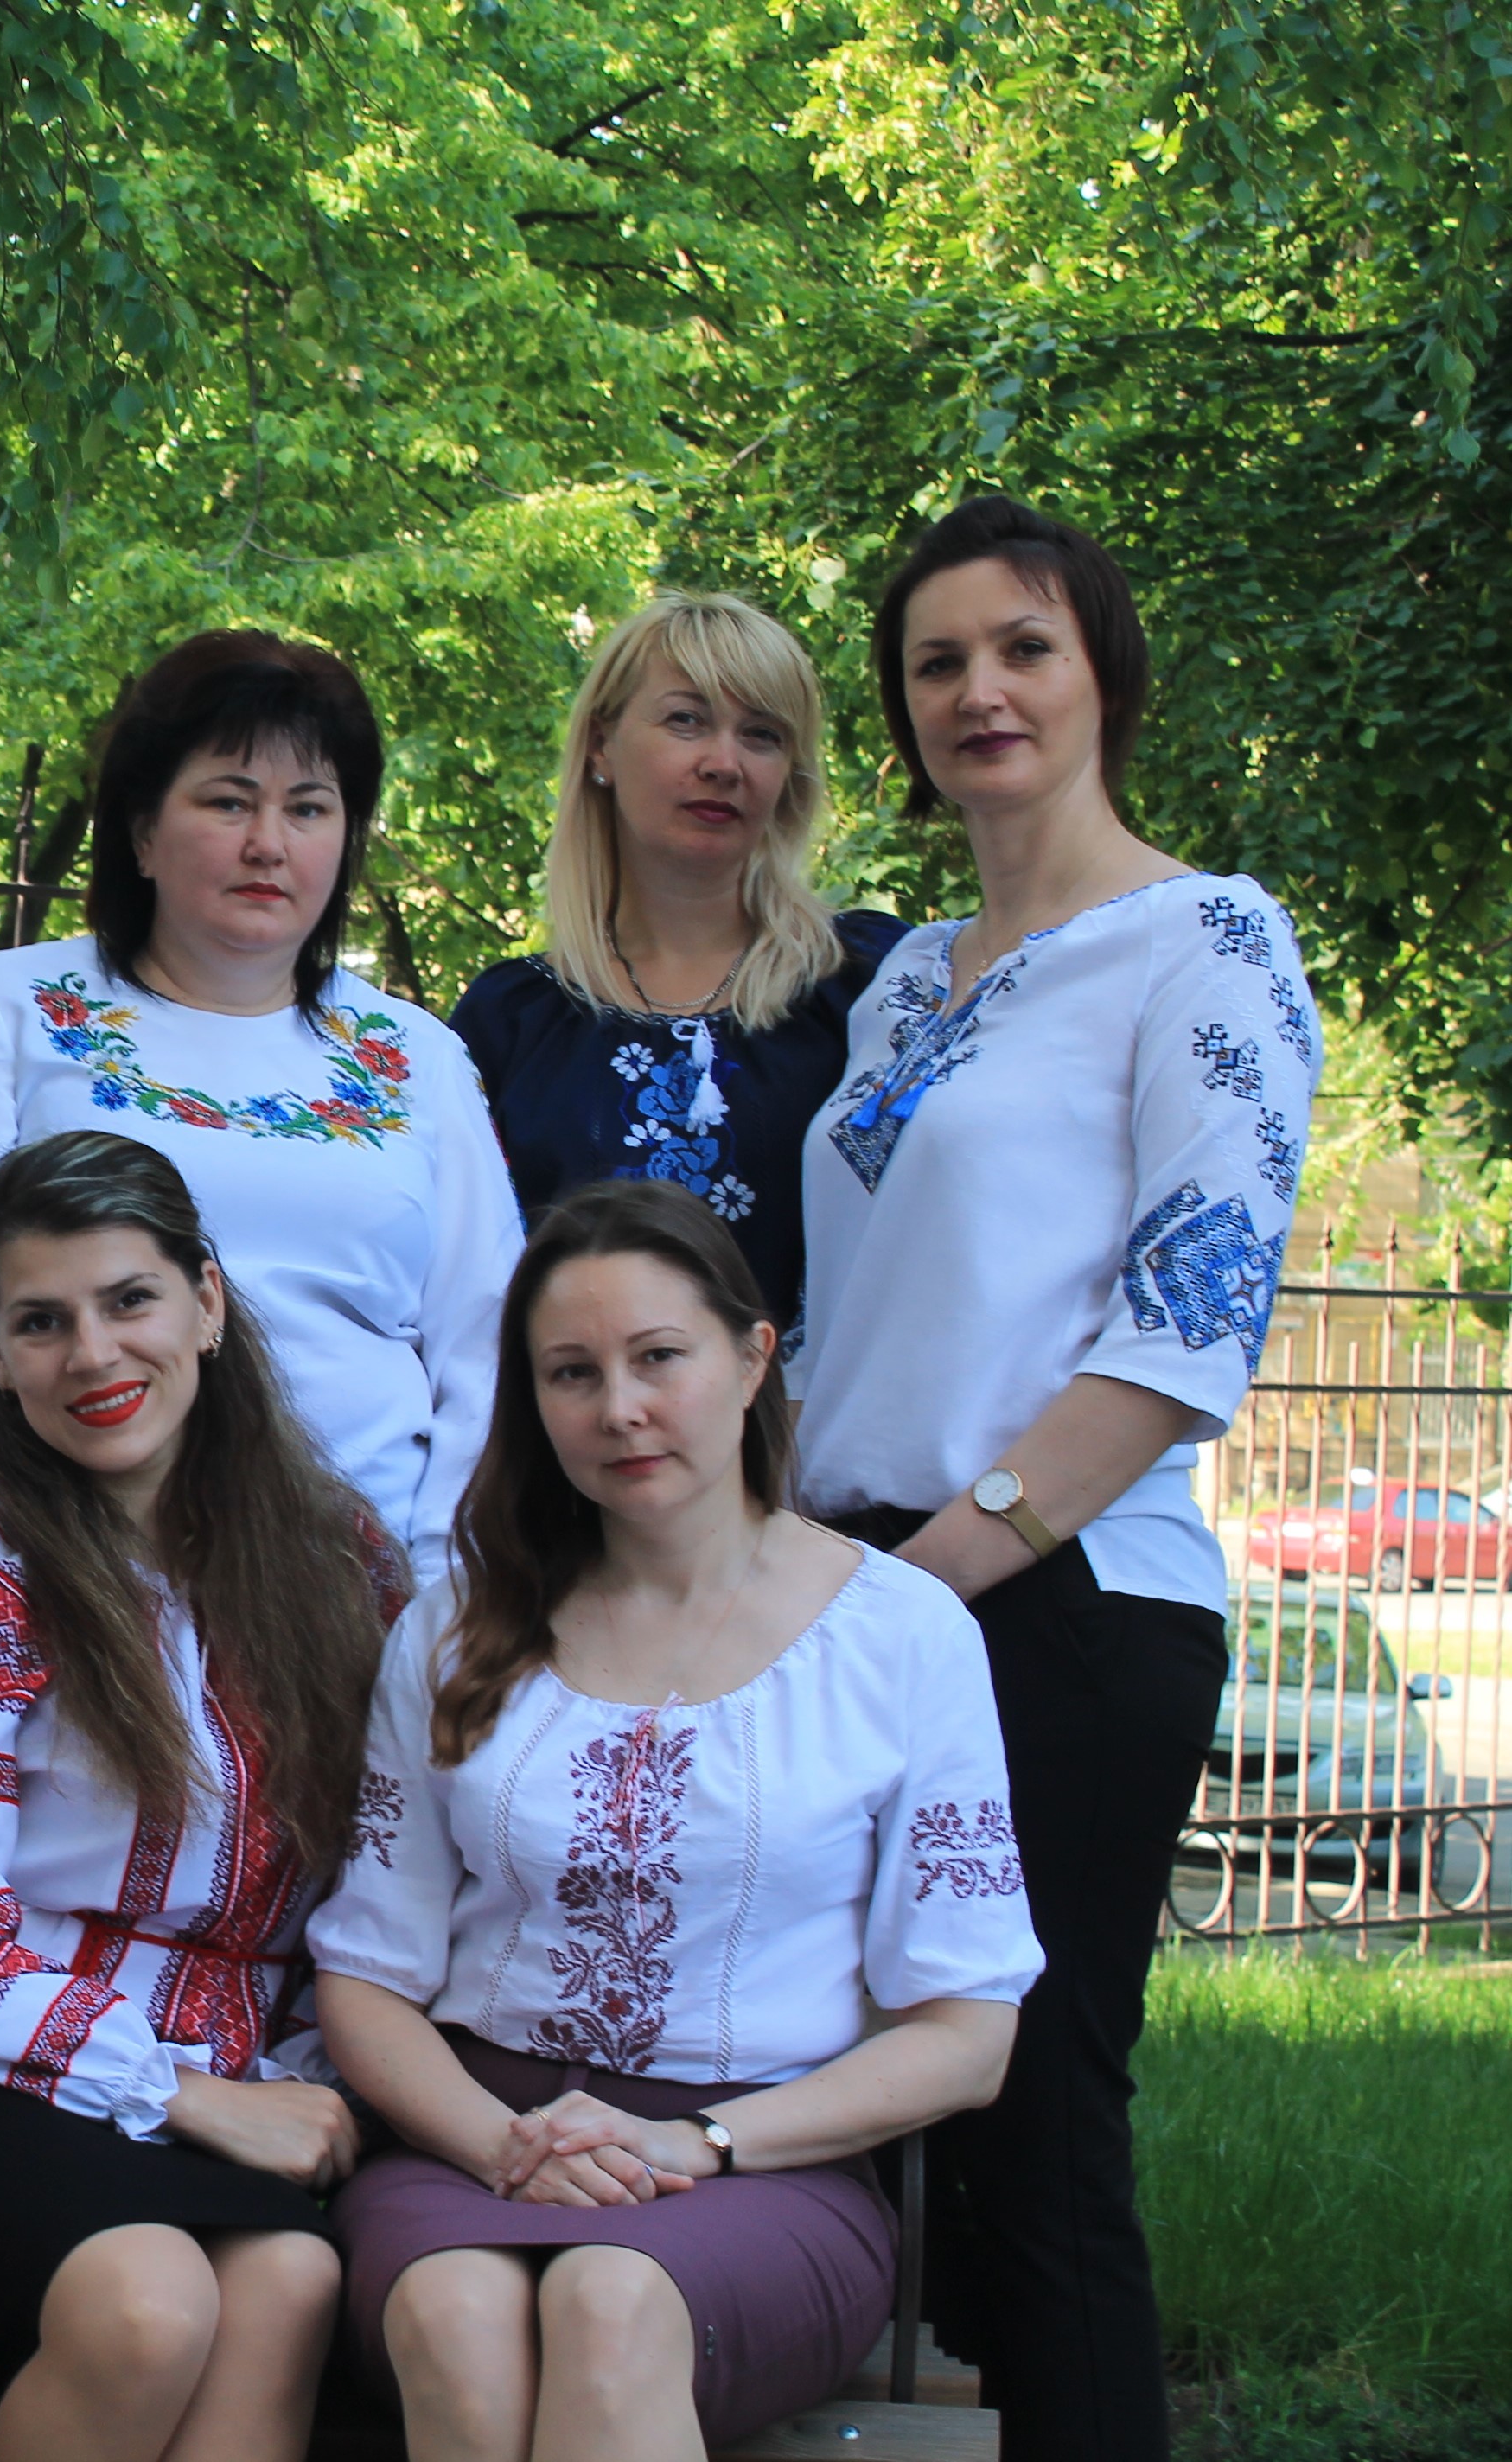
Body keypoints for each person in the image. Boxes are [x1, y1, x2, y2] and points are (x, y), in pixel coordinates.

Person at [791, 494, 1320, 2462]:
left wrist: (927, 1577)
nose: (978, 689)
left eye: (1023, 645)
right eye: (935, 661)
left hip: (1058, 1594)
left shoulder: (1207, 941)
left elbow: (1186, 1326)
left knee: (1031, 2126)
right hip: (860, 1586)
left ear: (1104, 670)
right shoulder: (899, 978)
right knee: (870, 2122)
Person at [309, 1179, 1041, 2460]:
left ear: (754, 1360)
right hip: (471, 2139)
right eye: (572, 1373)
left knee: (610, 2302)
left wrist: (695, 2140)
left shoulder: (902, 1635)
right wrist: (508, 2145)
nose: (620, 1408)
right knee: (458, 2312)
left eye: (659, 1357)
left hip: (764, 2157)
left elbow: (967, 2036)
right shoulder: (458, 1626)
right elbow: (367, 1977)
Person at [0, 1130, 392, 2462]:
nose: (93, 1355)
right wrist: (184, 2097)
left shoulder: (341, 1571)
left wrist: (283, 2081)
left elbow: (371, 1890)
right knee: (149, 2302)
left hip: (236, 2079)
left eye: (130, 1301)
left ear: (208, 1303)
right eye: (41, 1322)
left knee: (289, 2281)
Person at [0, 632, 514, 1579]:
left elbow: (487, 1355)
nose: (268, 844)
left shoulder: (420, 1057)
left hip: (372, 1586)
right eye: (229, 801)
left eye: (308, 808)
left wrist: (448, 1602)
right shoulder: (11, 1010)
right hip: (79, 1586)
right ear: (143, 830)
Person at [449, 593, 905, 1323]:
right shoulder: (509, 1023)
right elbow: (463, 1292)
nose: (724, 763)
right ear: (601, 746)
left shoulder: (869, 986)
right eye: (686, 720)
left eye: (761, 734)